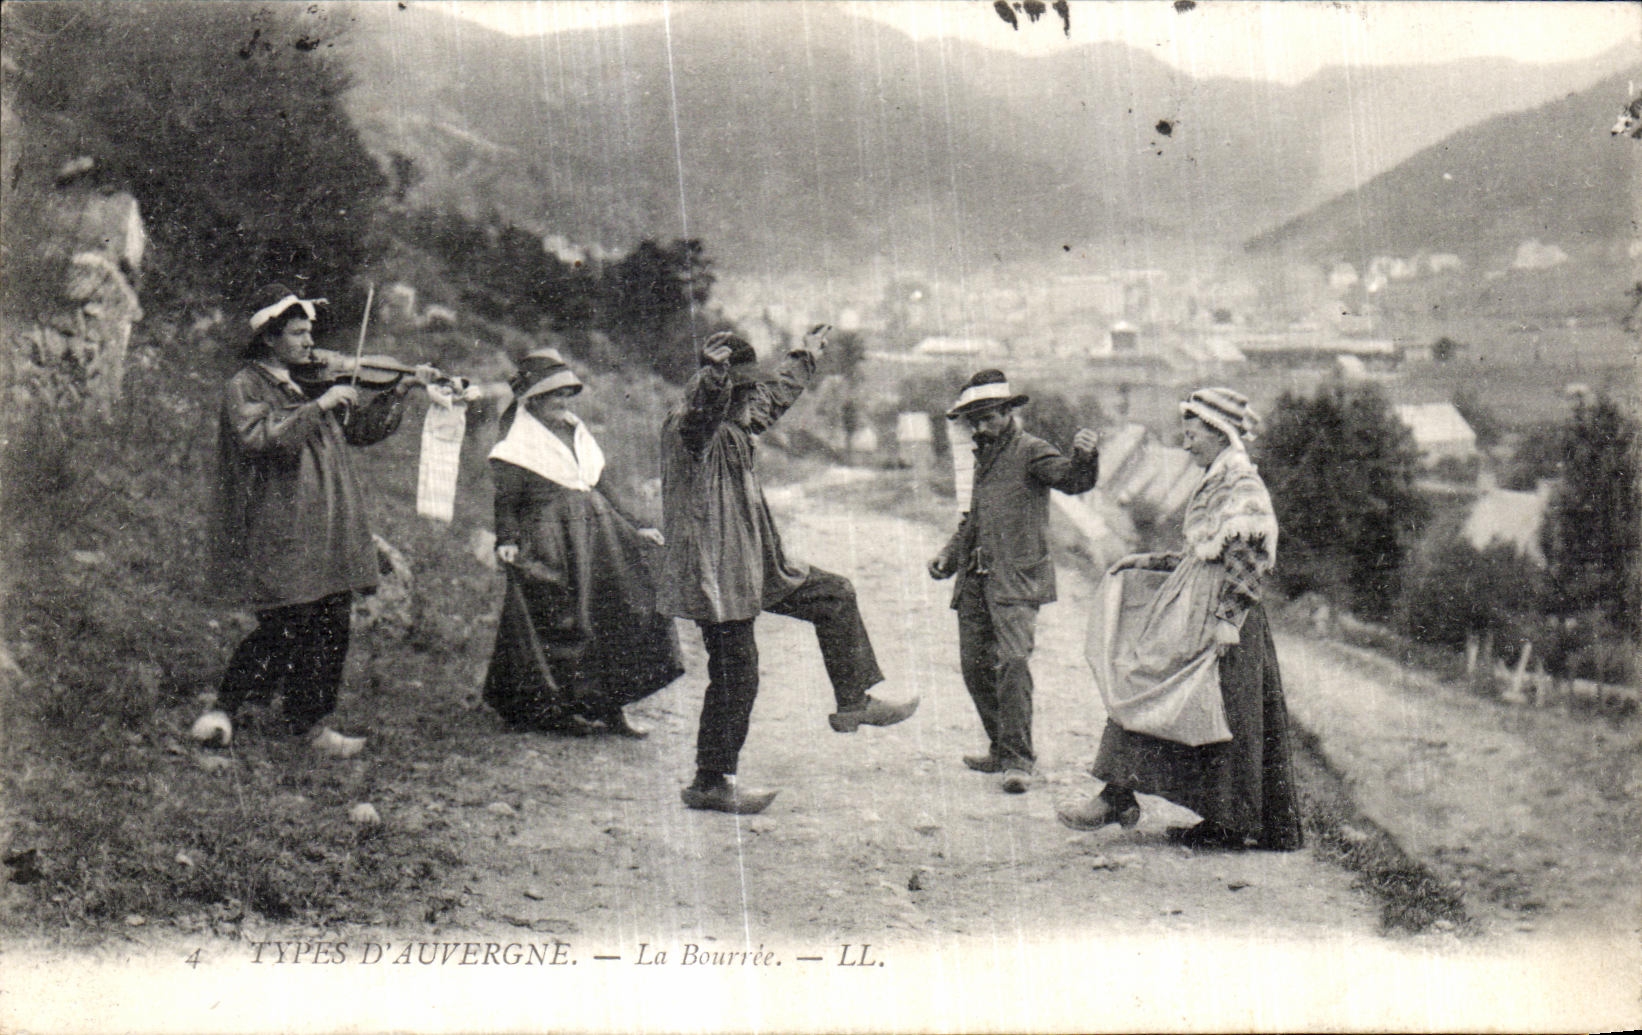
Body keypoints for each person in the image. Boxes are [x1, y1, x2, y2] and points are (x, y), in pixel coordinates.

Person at [659, 328, 918, 814]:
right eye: (743, 388)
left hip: (755, 565)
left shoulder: (738, 420)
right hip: (715, 578)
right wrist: (715, 382)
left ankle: (853, 700)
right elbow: (701, 418)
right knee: (737, 676)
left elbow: (773, 398)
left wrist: (804, 356)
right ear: (722, 389)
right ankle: (710, 781)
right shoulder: (690, 431)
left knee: (834, 595)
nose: (753, 395)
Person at [192, 284, 436, 757]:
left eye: (310, 333)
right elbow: (263, 439)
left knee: (331, 621)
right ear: (269, 338)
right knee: (286, 620)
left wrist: (400, 391)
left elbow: (361, 431)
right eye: (298, 333)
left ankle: (310, 724)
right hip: (282, 521)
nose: (309, 343)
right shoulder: (246, 385)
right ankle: (226, 707)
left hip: (327, 522)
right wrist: (319, 405)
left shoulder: (310, 382)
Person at [1056, 387, 1303, 851]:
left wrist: (1228, 618)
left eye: (1192, 435)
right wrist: (1147, 561)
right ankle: (1121, 795)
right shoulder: (1217, 479)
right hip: (1200, 606)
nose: (1186, 443)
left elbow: (1250, 556)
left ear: (1218, 433)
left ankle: (1218, 822)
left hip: (1225, 619)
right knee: (1163, 691)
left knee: (1214, 712)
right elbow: (1203, 552)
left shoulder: (1241, 485)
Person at [483, 352, 683, 737]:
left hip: (598, 536)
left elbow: (603, 485)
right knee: (563, 619)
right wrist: (506, 539)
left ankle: (611, 707)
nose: (563, 402)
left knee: (617, 611)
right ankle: (560, 709)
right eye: (554, 395)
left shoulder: (576, 431)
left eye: (566, 395)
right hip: (551, 540)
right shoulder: (516, 445)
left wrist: (638, 524)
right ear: (533, 401)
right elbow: (506, 500)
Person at [929, 370, 1101, 794]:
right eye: (974, 420)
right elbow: (973, 518)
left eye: (987, 417)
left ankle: (1019, 760)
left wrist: (1086, 457)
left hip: (1016, 580)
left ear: (1008, 412)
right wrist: (949, 556)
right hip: (975, 580)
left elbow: (1074, 480)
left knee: (1014, 664)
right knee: (974, 669)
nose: (980, 427)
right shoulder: (979, 457)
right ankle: (999, 748)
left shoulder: (1031, 451)